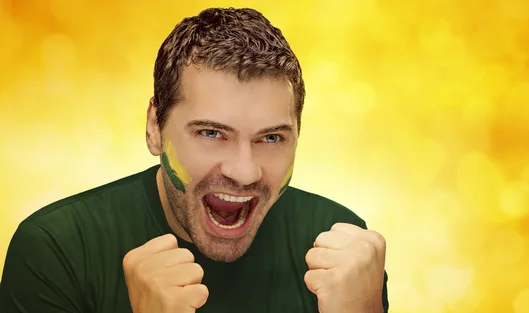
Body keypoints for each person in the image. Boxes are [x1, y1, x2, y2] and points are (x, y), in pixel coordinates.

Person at [0, 7, 389, 313]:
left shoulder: (343, 250)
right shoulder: (57, 250)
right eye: (211, 133)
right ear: (155, 127)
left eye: (271, 138)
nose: (244, 171)